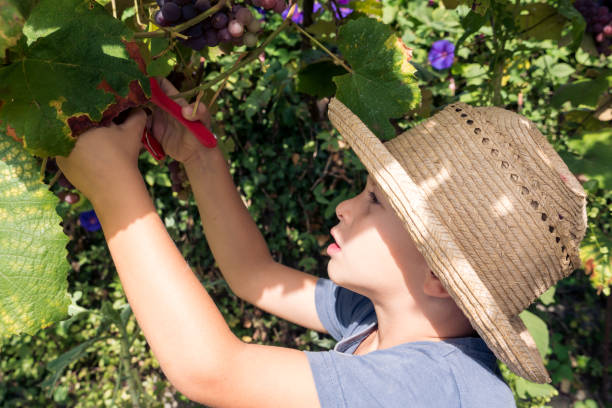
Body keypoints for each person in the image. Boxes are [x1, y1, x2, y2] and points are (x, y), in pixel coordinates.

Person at [56, 78, 587, 407]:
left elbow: (211, 371)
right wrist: (200, 155)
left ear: (438, 274)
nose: (345, 206)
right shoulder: (381, 320)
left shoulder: (434, 391)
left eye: (376, 202)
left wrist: (114, 189)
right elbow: (256, 277)